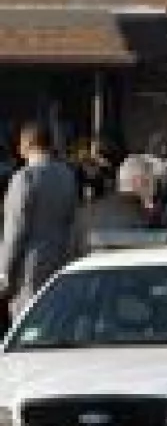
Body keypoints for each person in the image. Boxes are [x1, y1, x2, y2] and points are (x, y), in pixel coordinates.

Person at [0, 121, 80, 321]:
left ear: (27, 144)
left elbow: (15, 230)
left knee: (27, 321)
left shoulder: (24, 177)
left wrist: (3, 273)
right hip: (61, 258)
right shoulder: (67, 174)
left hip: (29, 264)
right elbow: (72, 220)